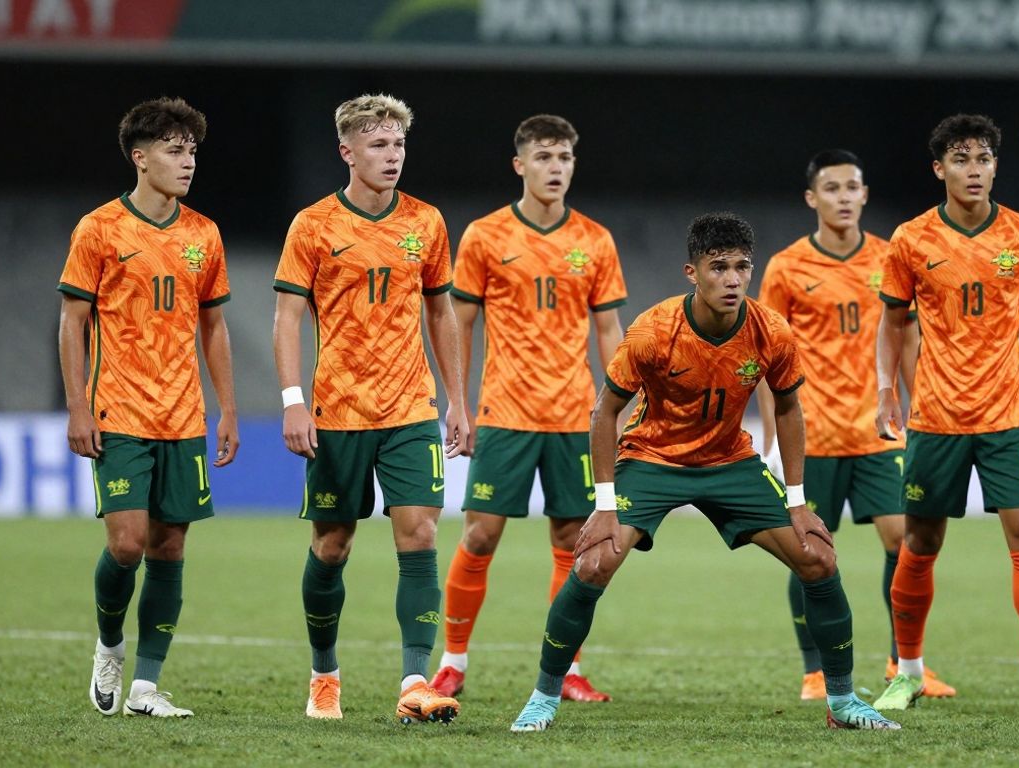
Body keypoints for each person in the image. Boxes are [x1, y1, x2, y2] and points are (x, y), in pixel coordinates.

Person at [509, 212, 901, 732]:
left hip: (729, 461)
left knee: (819, 559)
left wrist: (798, 500)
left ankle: (845, 701)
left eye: (742, 267)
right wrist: (605, 505)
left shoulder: (771, 332)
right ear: (691, 272)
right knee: (591, 565)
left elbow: (787, 408)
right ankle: (543, 697)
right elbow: (604, 412)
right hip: (653, 459)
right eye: (718, 268)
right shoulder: (652, 331)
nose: (733, 279)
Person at [872, 114, 1019, 716]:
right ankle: (907, 671)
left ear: (995, 166)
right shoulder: (911, 240)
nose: (974, 170)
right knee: (922, 539)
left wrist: (1015, 368)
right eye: (960, 159)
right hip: (935, 414)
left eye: (983, 158)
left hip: (1007, 414)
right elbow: (893, 322)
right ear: (939, 169)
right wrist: (888, 388)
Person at [273, 93, 470, 723]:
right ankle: (324, 674)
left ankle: (415, 681)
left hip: (411, 408)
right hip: (337, 412)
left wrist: (459, 399)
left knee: (420, 533)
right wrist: (293, 401)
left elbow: (441, 312)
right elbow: (287, 317)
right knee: (332, 545)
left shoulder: (428, 223)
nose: (392, 156)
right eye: (379, 145)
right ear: (347, 151)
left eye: (399, 144)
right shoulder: (313, 225)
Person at [432, 115, 626, 702]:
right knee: (482, 534)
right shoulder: (486, 236)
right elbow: (458, 321)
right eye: (543, 157)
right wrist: (457, 403)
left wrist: (614, 410)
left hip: (574, 417)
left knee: (575, 542)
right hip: (505, 412)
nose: (555, 168)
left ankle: (566, 671)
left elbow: (610, 329)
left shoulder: (594, 240)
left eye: (564, 157)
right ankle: (454, 662)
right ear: (520, 165)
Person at [61, 97, 239, 718]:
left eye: (191, 150)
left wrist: (229, 410)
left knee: (170, 547)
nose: (187, 161)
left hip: (184, 416)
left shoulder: (204, 234)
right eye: (173, 149)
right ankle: (109, 646)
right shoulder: (99, 229)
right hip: (118, 412)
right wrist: (78, 408)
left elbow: (213, 327)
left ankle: (145, 686)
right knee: (128, 544)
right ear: (140, 159)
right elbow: (73, 319)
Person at [756, 149, 954, 701]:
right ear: (812, 199)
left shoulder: (893, 258)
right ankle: (815, 671)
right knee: (810, 552)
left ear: (864, 195)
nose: (843, 198)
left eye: (852, 188)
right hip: (812, 435)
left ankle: (904, 664)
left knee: (907, 539)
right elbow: (767, 359)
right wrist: (772, 439)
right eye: (833, 189)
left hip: (877, 430)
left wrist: (921, 411)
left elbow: (908, 338)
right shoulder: (787, 268)